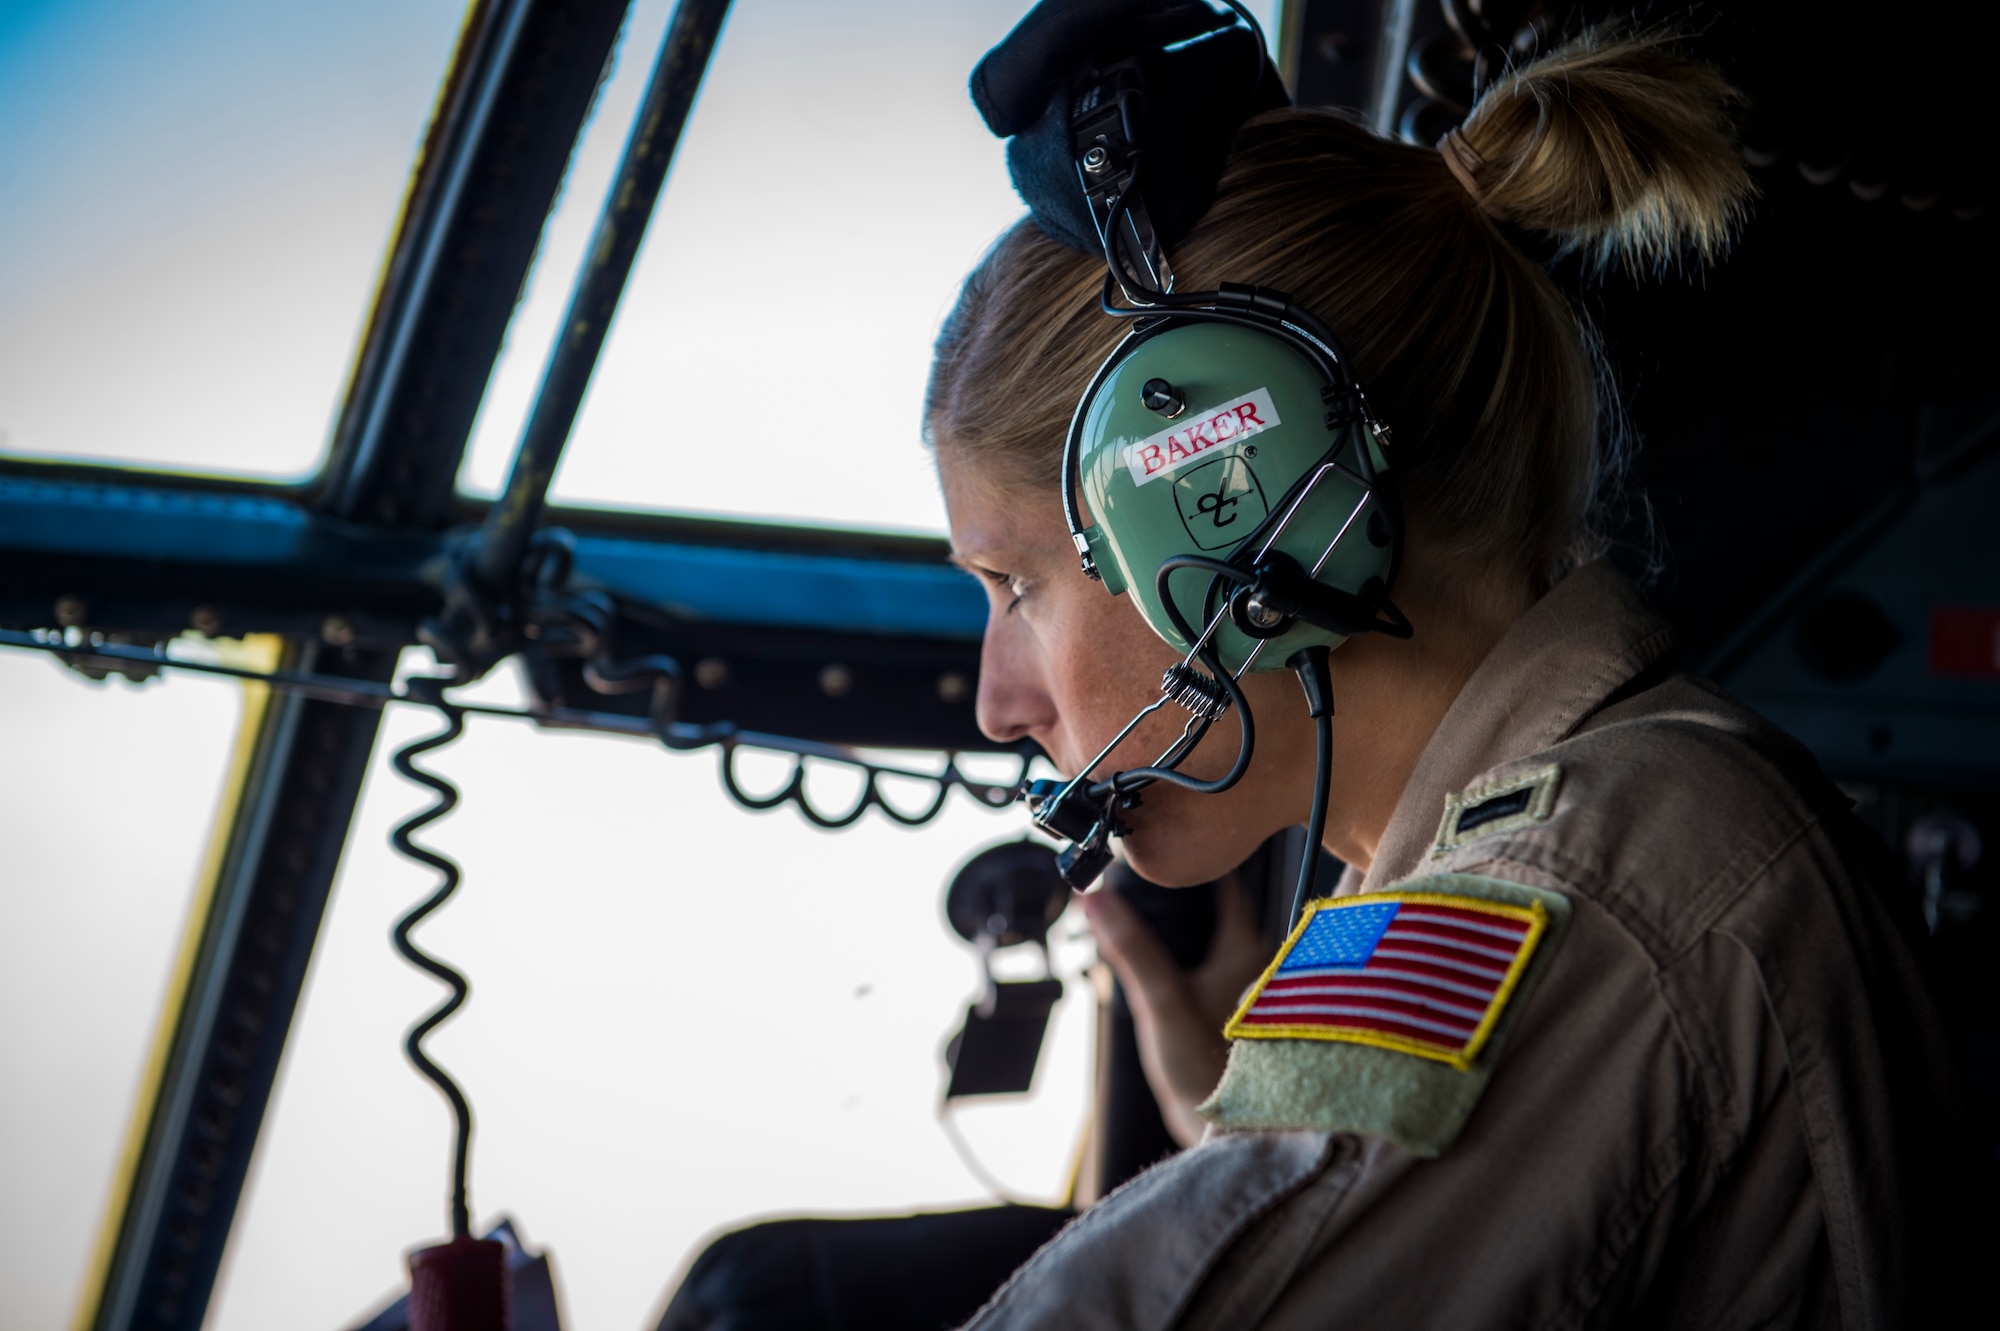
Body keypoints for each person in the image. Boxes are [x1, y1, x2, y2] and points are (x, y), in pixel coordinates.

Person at [926, 15, 1979, 1329]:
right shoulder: (1573, 845)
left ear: (1225, 506)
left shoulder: (1581, 897)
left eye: (1017, 586)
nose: (996, 700)